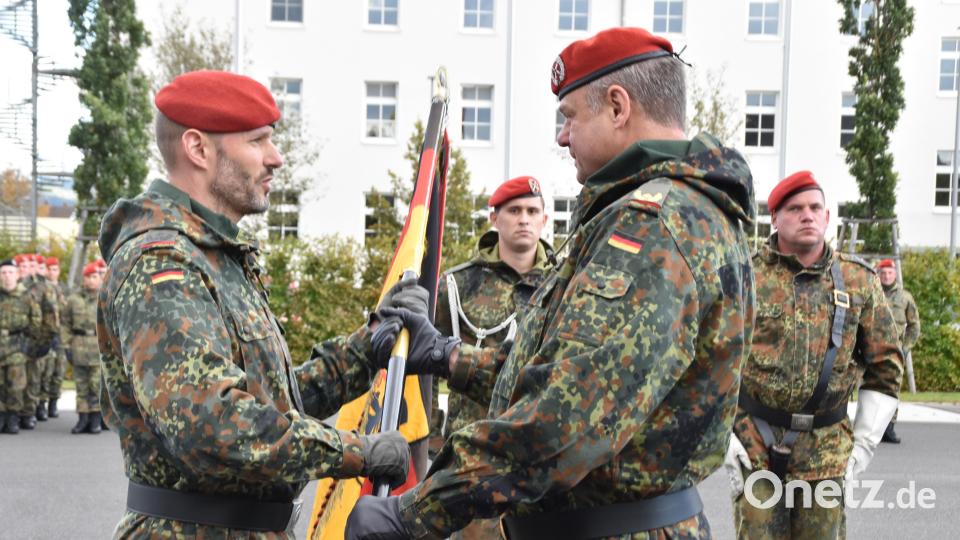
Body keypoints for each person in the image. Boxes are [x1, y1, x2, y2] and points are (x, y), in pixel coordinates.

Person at [347, 27, 757, 539]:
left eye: (570, 117)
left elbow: (565, 417)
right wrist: (450, 356)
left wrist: (414, 512)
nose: (563, 137)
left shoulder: (652, 227)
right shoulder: (674, 212)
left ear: (617, 106)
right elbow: (572, 371)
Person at [97, 70, 415, 537]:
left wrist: (365, 350)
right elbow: (212, 424)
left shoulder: (215, 257)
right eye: (257, 141)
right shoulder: (162, 265)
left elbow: (269, 402)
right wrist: (354, 452)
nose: (276, 157)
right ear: (198, 148)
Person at [725, 171, 903, 539]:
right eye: (795, 208)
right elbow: (712, 359)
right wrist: (723, 435)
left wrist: (865, 443)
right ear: (775, 218)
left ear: (826, 217)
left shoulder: (858, 280)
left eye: (815, 208)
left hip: (827, 453)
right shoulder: (744, 275)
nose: (807, 215)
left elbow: (886, 366)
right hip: (755, 444)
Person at [431, 175, 553, 539]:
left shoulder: (565, 283)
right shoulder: (457, 285)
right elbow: (425, 360)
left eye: (532, 211)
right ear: (494, 218)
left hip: (542, 459)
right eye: (514, 211)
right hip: (475, 459)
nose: (524, 219)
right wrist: (428, 436)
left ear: (545, 220)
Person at [876, 258, 920, 444]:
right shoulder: (872, 293)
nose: (886, 276)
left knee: (892, 389)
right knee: (870, 390)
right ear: (878, 274)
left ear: (895, 274)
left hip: (895, 352)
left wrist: (905, 347)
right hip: (872, 350)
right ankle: (872, 428)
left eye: (889, 273)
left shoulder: (905, 297)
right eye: (883, 273)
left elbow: (914, 326)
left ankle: (889, 428)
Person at [17, 253, 59, 429]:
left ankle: (28, 413)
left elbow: (49, 314)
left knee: (33, 378)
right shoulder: (10, 285)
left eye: (29, 266)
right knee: (13, 379)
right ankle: (12, 412)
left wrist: (46, 339)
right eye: (22, 266)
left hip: (34, 338)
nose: (25, 270)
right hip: (12, 340)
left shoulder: (41, 288)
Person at [0, 258, 41, 434]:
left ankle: (13, 417)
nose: (7, 276)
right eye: (3, 273)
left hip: (17, 346)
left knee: (16, 385)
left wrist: (30, 344)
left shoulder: (27, 296)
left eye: (10, 272)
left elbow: (36, 322)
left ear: (17, 275)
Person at [63, 262, 103, 434]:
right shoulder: (73, 299)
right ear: (83, 279)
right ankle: (82, 418)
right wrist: (66, 345)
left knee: (96, 385)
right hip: (79, 345)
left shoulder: (105, 297)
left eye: (94, 277)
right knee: (81, 385)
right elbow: (65, 324)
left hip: (98, 346)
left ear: (99, 278)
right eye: (88, 277)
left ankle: (95, 419)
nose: (91, 280)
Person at [41, 256, 69, 419]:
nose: (52, 272)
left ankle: (53, 403)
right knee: (45, 371)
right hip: (46, 335)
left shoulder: (65, 289)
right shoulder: (41, 289)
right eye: (50, 269)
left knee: (59, 371)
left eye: (55, 269)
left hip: (61, 336)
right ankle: (41, 404)